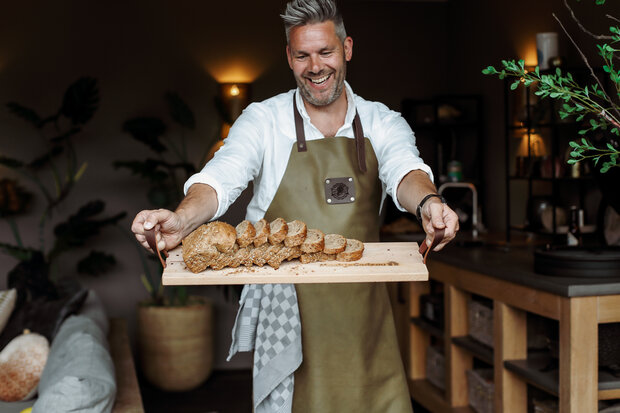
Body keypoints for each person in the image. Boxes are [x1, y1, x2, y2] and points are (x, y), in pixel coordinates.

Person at [132, 0, 459, 411]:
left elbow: (406, 172)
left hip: (364, 314)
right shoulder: (263, 120)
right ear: (289, 57)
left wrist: (429, 202)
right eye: (302, 55)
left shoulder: (382, 122)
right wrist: (180, 219)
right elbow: (220, 179)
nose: (315, 66)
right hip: (285, 314)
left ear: (347, 49)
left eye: (326, 52)